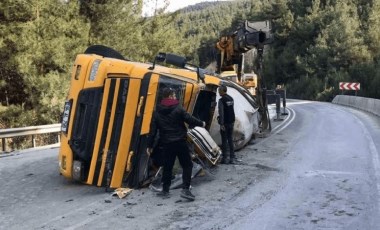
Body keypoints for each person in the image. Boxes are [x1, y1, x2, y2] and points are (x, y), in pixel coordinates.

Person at [147, 87, 206, 201]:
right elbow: (190, 119)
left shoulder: (156, 111)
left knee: (167, 166)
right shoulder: (178, 108)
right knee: (187, 165)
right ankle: (185, 190)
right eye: (173, 95)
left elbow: (153, 131)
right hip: (180, 142)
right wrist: (201, 123)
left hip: (167, 143)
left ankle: (165, 190)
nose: (175, 97)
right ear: (169, 96)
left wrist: (149, 146)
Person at [217, 84, 235, 164]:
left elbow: (221, 113)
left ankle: (225, 158)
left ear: (222, 91)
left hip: (225, 123)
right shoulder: (231, 98)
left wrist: (221, 124)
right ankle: (232, 157)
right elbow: (231, 110)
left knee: (224, 141)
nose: (218, 92)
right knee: (230, 139)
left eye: (219, 90)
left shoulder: (221, 100)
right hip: (231, 122)